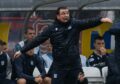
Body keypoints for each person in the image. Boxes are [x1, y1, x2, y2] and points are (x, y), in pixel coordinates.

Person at [14, 6, 112, 84]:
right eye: (63, 13)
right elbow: (37, 40)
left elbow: (88, 22)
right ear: (57, 16)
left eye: (67, 13)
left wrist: (101, 19)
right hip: (59, 66)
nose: (66, 15)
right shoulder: (52, 28)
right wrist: (21, 51)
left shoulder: (75, 24)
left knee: (82, 81)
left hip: (74, 65)